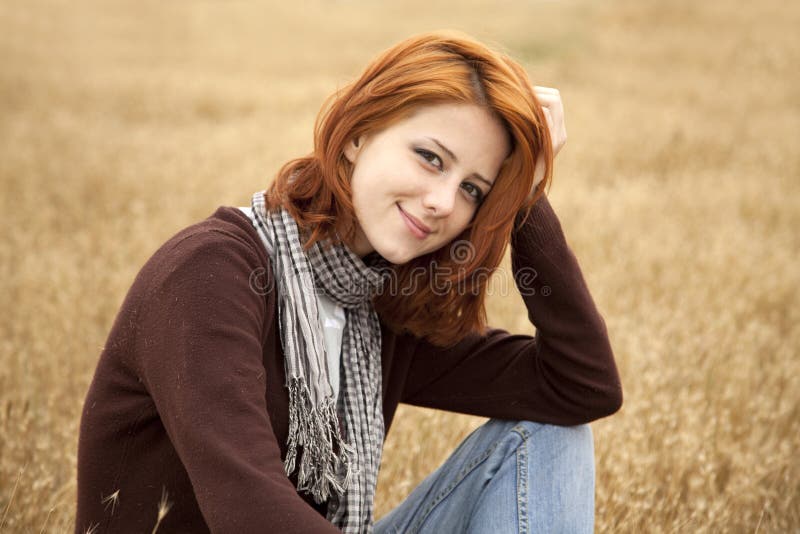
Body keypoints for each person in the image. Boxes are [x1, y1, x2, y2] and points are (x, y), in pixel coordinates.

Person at [75, 31, 622, 534]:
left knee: (550, 439)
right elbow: (250, 511)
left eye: (473, 189)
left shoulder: (379, 308)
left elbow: (579, 387)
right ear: (359, 132)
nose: (443, 203)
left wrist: (525, 195)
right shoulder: (209, 274)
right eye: (430, 158)